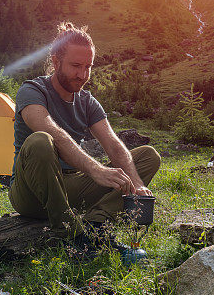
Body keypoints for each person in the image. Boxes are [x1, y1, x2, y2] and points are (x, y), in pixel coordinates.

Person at [9, 21, 161, 244]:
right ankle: (73, 234)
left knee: (148, 157)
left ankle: (97, 224)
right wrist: (95, 170)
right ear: (56, 62)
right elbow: (53, 133)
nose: (83, 74)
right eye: (76, 66)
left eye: (88, 67)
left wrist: (136, 184)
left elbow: (113, 144)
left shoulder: (87, 102)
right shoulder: (31, 91)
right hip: (31, 191)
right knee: (41, 141)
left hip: (72, 187)